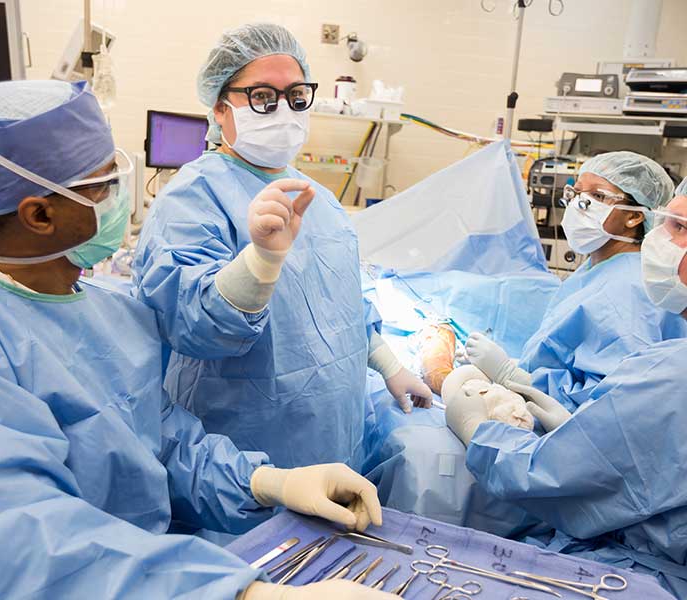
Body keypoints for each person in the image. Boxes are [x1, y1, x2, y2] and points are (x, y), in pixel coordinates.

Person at [0, 80, 397, 600]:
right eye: (102, 185)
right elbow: (17, 548)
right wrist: (246, 596)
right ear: (39, 215)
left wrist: (270, 483)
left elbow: (166, 447)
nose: (118, 199)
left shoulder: (112, 316)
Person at [132, 23, 431, 470]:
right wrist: (261, 260)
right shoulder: (192, 197)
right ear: (220, 107)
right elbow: (191, 326)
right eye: (262, 97)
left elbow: (344, 309)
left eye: (295, 96)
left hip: (335, 434)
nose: (283, 111)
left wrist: (390, 366)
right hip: (243, 453)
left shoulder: (319, 199)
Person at [445, 184, 687, 598]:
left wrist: (478, 431)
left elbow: (547, 476)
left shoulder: (668, 376)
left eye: (679, 227)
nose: (662, 236)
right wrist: (582, 422)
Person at [464, 151, 686, 411]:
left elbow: (610, 403)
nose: (580, 204)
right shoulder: (597, 267)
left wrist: (514, 378)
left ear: (635, 216)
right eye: (577, 192)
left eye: (598, 196)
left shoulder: (628, 288)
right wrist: (518, 370)